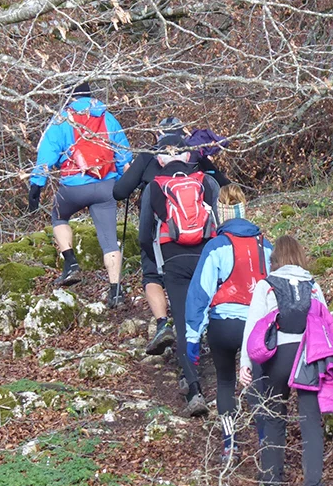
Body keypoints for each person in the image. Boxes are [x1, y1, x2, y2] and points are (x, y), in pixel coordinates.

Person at [114, 117, 230, 356]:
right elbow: (224, 186)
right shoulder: (192, 153)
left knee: (152, 275)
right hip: (200, 234)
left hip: (160, 235)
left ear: (158, 135)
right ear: (183, 133)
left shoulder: (150, 155)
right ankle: (204, 327)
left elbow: (119, 191)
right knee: (199, 277)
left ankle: (162, 324)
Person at [239, 236, 332, 486]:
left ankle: (272, 484)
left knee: (273, 416)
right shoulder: (312, 285)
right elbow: (326, 323)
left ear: (275, 259)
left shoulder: (266, 285)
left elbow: (253, 326)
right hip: (308, 355)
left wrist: (245, 362)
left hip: (277, 355)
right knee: (310, 421)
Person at [185, 184, 272, 463]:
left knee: (225, 381)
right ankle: (265, 444)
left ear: (220, 212)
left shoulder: (217, 246)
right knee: (258, 383)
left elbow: (200, 293)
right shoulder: (265, 246)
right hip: (256, 326)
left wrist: (192, 337)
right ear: (244, 209)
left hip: (223, 325)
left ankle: (229, 444)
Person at [28, 83, 132, 306]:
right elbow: (123, 154)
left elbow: (47, 152)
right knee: (109, 241)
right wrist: (128, 181)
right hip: (106, 187)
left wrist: (37, 184)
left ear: (69, 97)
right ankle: (115, 292)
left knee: (59, 215)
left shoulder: (62, 119)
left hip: (74, 187)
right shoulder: (106, 117)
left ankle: (71, 263)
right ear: (90, 95)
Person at [140, 135, 221, 416]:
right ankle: (225, 380)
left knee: (184, 322)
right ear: (188, 156)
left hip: (173, 259)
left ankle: (194, 389)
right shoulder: (205, 182)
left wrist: (155, 259)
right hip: (206, 255)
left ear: (160, 159)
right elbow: (219, 221)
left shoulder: (154, 186)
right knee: (211, 312)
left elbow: (143, 235)